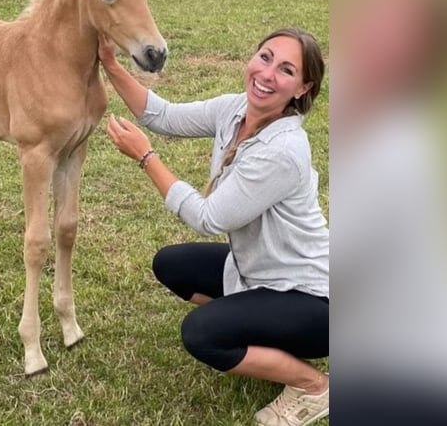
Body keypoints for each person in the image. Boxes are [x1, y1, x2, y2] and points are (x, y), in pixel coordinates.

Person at [99, 27, 329, 426]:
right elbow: (163, 115)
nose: (268, 73)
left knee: (202, 335)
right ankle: (259, 336)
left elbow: (209, 218)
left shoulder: (283, 150)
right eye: (266, 57)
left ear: (302, 88)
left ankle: (314, 386)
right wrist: (112, 65)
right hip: (257, 273)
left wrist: (146, 158)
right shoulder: (235, 110)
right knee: (172, 265)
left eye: (287, 70)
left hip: (315, 299)